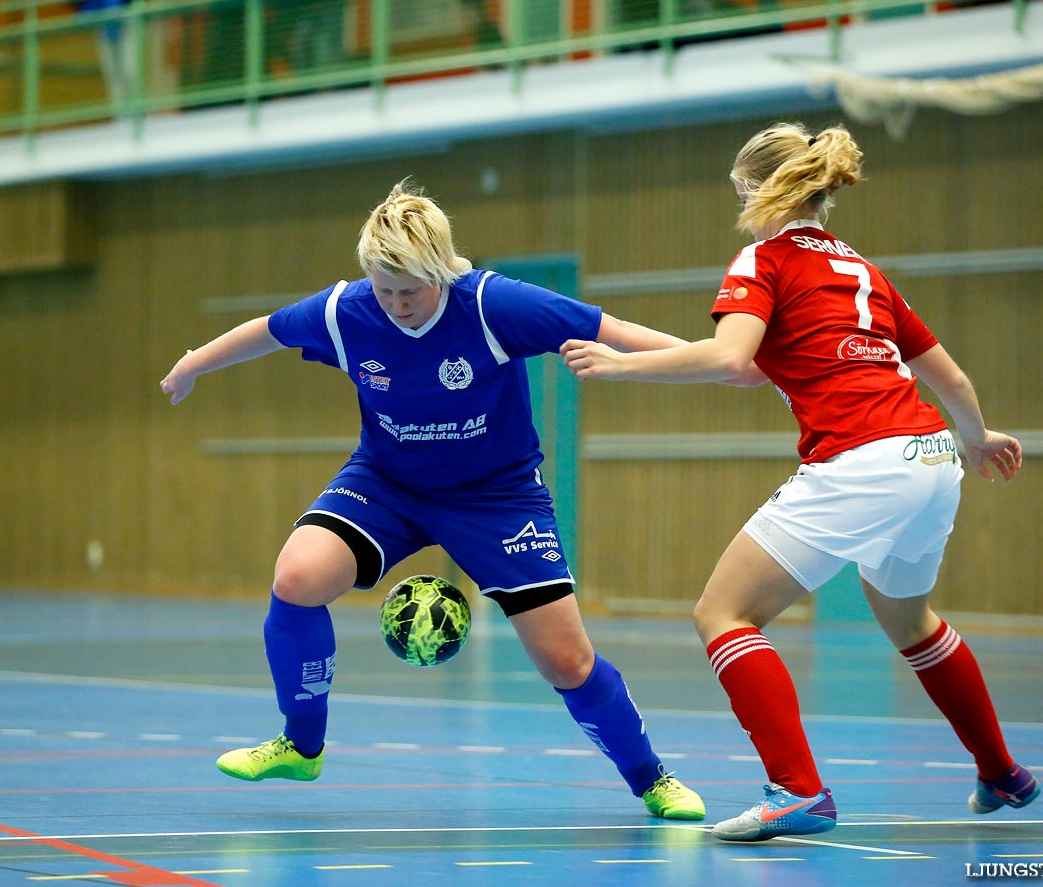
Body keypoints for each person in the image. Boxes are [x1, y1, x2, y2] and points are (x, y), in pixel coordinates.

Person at [159, 181, 714, 822]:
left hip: (496, 497)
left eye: (410, 291)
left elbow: (610, 328)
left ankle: (651, 779)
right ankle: (300, 744)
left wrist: (720, 361)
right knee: (298, 576)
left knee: (566, 659)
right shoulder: (348, 312)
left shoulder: (493, 305)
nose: (397, 305)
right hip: (388, 483)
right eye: (384, 289)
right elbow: (269, 330)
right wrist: (194, 362)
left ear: (443, 273)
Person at [560, 122, 1039, 841]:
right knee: (911, 623)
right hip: (931, 461)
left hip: (861, 460)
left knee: (722, 613)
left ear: (758, 190)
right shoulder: (863, 272)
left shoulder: (763, 260)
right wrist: (978, 440)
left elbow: (729, 358)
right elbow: (947, 378)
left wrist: (622, 366)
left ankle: (797, 789)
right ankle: (1001, 770)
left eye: (738, 192)